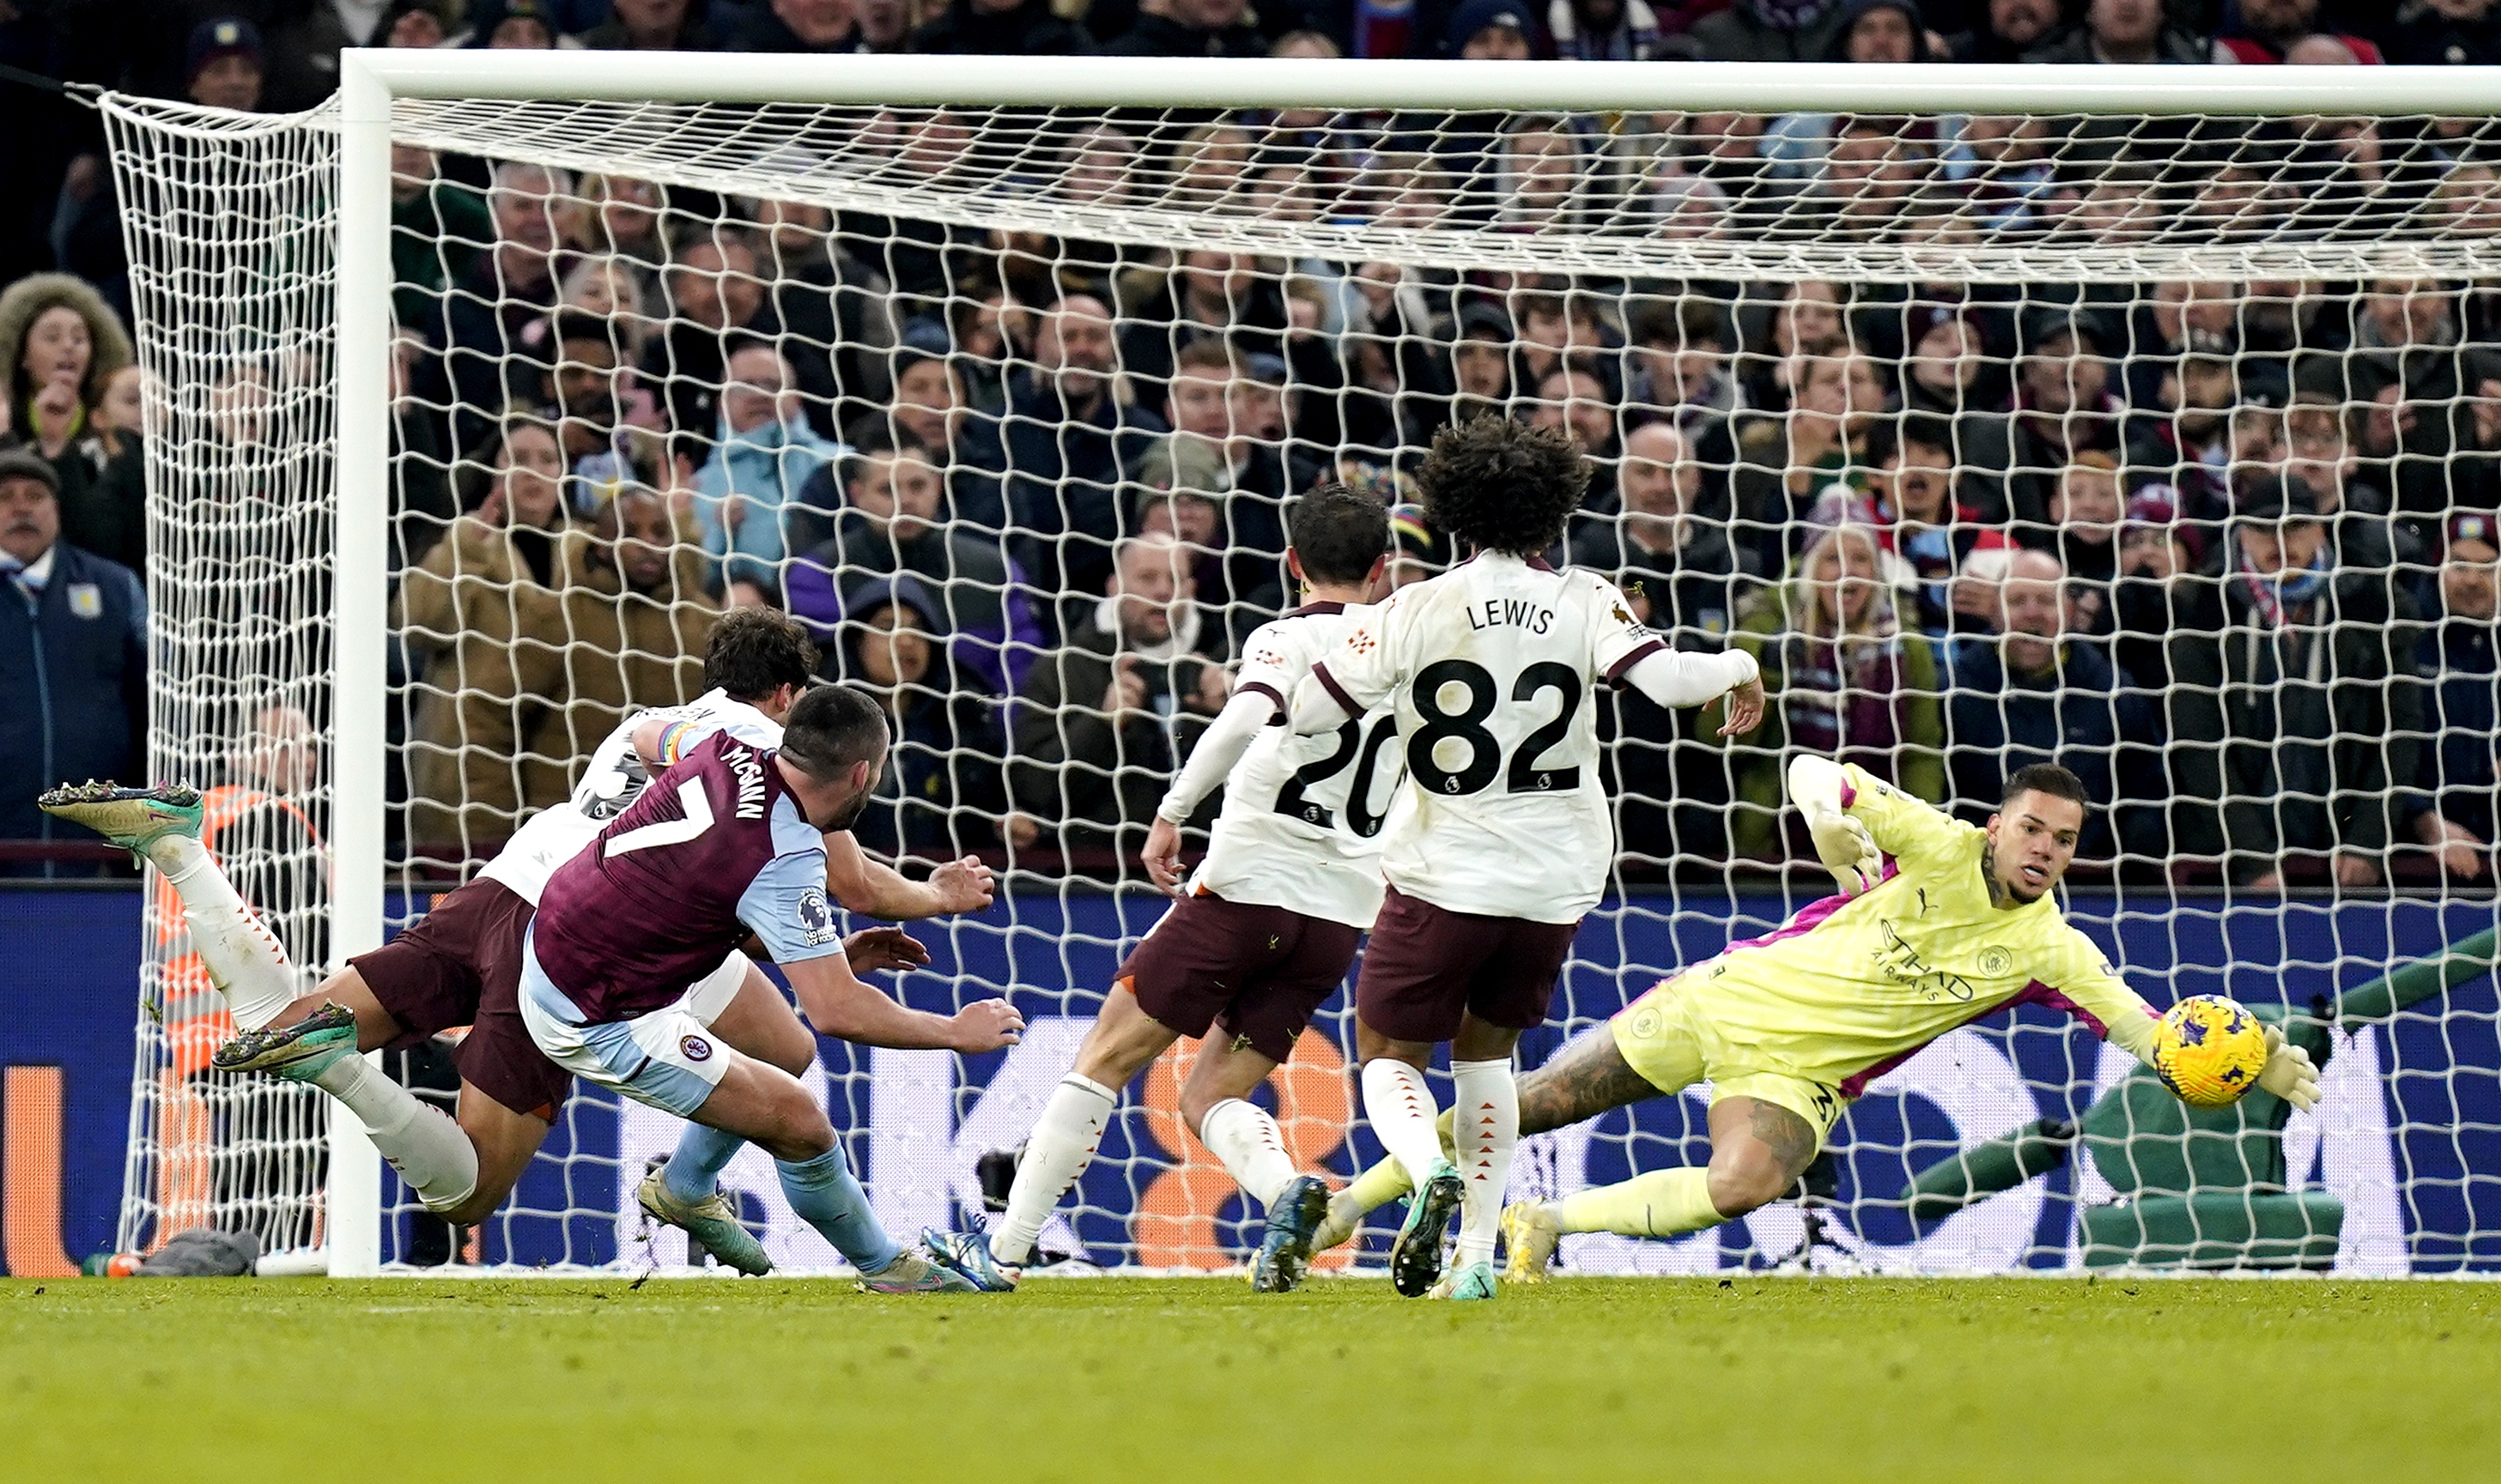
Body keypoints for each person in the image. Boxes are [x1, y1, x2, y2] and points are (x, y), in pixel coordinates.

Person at [49, 612, 1006, 1285]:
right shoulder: (785, 773)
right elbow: (837, 891)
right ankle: (696, 1189)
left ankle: (181, 850)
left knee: (286, 1019)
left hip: (507, 881)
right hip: (584, 939)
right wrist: (933, 897)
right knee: (474, 1191)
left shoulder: (701, 725)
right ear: (792, 697)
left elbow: (651, 745)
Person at [1312, 761, 2322, 1278]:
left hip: (1796, 1080)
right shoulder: (1934, 842)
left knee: (1747, 1182)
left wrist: (2265, 1062)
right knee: (1530, 1105)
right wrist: (1836, 830)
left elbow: (2149, 1034)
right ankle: (1343, 1210)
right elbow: (1805, 766)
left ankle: (1549, 1223)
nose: (2045, 848)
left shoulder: (2055, 950)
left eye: (2064, 840)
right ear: (1998, 821)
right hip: (1721, 1000)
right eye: (2032, 827)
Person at [1285, 416, 1764, 1300]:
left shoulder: (1414, 607)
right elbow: (1665, 684)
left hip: (1443, 871)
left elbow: (1311, 715)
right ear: (1554, 511)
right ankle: (1472, 1257)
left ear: (1452, 508)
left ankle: (1425, 1168)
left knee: (1388, 1052)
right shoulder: (1588, 597)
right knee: (1489, 1059)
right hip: (1553, 882)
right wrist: (1737, 661)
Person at [930, 487, 1399, 1294]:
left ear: (1290, 564)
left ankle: (1001, 1251)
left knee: (1104, 1056)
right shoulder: (1405, 656)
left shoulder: (1284, 638)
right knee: (1210, 1092)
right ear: (1381, 569)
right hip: (1336, 916)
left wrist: (1172, 812)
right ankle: (1288, 1193)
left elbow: (1241, 719)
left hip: (1248, 887)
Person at [2168, 478, 2424, 891]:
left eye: (2295, 527)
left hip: (2345, 857)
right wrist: (2252, 857)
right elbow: (2198, 745)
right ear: (2243, 534)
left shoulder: (2375, 606)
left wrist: (2367, 841)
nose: (2281, 542)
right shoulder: (2203, 609)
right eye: (2265, 529)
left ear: (2321, 530)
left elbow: (2400, 733)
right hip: (2237, 865)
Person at [1727, 520, 1946, 860]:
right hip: (1780, 836)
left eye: (1860, 557)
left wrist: (1921, 838)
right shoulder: (1763, 635)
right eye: (1832, 558)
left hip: (1880, 836)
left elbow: (1920, 751)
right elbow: (1723, 742)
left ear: (1875, 571)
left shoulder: (1907, 647)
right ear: (1811, 569)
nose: (1847, 570)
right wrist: (1769, 671)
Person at [1008, 533, 1233, 853]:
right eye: (1147, 578)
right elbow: (1034, 788)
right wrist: (1101, 725)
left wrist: (1234, 714)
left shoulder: (1225, 662)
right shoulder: (1064, 667)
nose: (1163, 592)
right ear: (1114, 587)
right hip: (1098, 877)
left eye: (1175, 580)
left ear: (1192, 590)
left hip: (1208, 869)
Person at [785, 424, 1041, 698]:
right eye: (887, 489)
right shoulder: (818, 574)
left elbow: (1019, 676)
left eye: (917, 486)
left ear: (938, 486)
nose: (905, 501)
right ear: (858, 495)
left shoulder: (994, 573)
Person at [2, 451, 146, 865]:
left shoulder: (116, 587)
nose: (21, 507)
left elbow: (155, 689)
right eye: (5, 497)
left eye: (35, 495)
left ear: (57, 510)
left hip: (99, 847)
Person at [0, 274, 146, 575]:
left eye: (80, 338)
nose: (69, 346)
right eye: (52, 337)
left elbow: (103, 543)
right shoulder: (5, 426)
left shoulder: (116, 434)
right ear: (23, 356)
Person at [690, 343, 847, 602]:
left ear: (797, 399)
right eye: (745, 386)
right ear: (721, 404)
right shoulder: (697, 487)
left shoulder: (840, 464)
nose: (760, 395)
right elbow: (693, 583)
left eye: (773, 386)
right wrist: (720, 534)